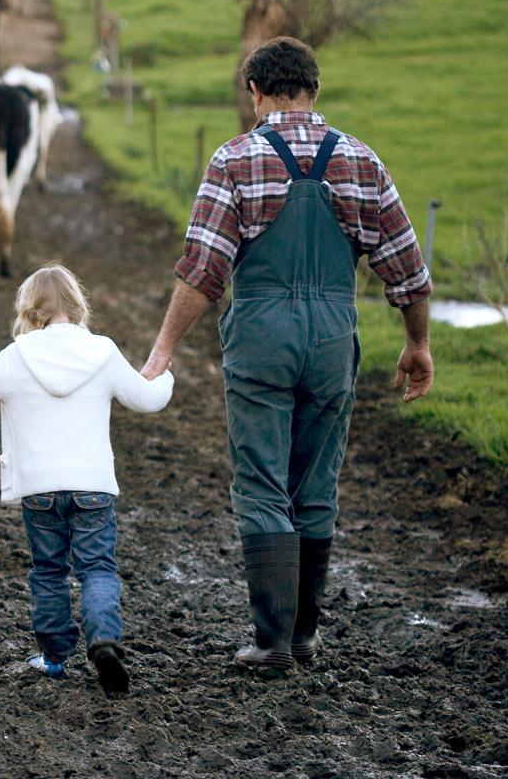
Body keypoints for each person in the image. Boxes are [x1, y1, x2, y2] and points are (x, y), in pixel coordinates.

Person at [141, 37, 435, 675]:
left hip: (262, 335)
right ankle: (304, 635)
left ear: (255, 92)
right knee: (315, 483)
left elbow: (203, 271)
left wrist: (164, 348)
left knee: (262, 481)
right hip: (333, 335)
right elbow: (408, 270)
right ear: (314, 91)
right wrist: (417, 343)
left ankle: (271, 642)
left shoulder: (235, 160)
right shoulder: (360, 160)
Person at [0, 264, 173, 697]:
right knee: (97, 568)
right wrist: (165, 374)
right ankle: (104, 639)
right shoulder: (104, 352)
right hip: (93, 487)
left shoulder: (17, 356)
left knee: (49, 571)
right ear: (77, 305)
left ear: (30, 310)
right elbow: (148, 400)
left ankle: (54, 658)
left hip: (39, 490)